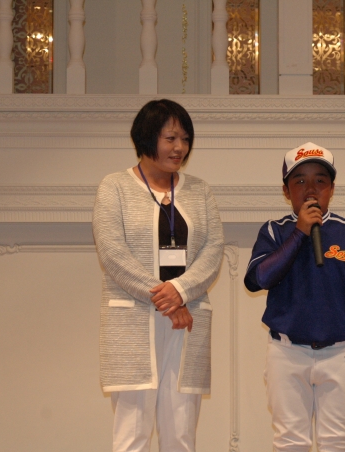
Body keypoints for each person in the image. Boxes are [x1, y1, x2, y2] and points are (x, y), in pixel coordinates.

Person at [92, 99, 224, 452]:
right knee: (132, 435)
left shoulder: (200, 190)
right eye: (170, 138)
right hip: (133, 322)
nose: (179, 147)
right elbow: (113, 253)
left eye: (185, 139)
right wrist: (166, 298)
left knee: (181, 434)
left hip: (187, 321)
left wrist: (180, 290)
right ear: (146, 138)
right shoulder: (114, 187)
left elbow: (213, 250)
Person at [244, 142, 345, 451]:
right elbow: (260, 279)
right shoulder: (275, 231)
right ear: (286, 191)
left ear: (332, 189)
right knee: (290, 442)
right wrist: (300, 232)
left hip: (341, 353)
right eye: (300, 181)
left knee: (338, 442)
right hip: (286, 352)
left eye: (320, 180)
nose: (311, 189)